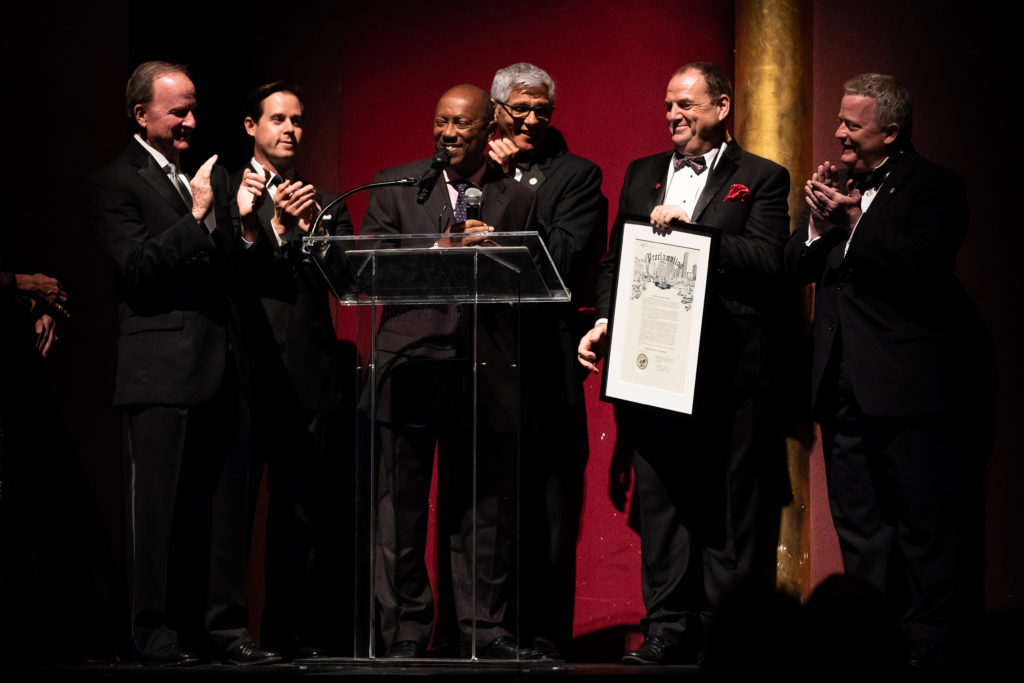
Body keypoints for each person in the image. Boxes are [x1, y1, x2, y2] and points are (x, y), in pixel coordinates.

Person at [578, 61, 792, 665]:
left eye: (686, 105)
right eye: (669, 105)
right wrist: (605, 320)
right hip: (652, 366)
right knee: (662, 503)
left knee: (729, 507)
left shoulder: (762, 177)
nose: (673, 115)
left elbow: (769, 262)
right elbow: (616, 260)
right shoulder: (642, 172)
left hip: (729, 371)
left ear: (721, 108)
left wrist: (697, 232)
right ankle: (667, 628)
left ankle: (727, 637)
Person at [785, 73, 995, 672]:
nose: (838, 133)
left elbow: (923, 268)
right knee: (860, 523)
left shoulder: (936, 188)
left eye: (852, 124)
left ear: (891, 132)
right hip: (840, 387)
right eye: (840, 121)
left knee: (924, 523)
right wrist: (818, 225)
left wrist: (856, 223)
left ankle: (930, 639)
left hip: (910, 389)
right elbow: (793, 268)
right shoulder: (839, 189)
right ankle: (871, 636)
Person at [88, 61, 279, 666]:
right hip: (160, 370)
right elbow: (137, 269)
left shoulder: (212, 176)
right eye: (178, 111)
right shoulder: (116, 182)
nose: (191, 121)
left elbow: (235, 270)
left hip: (225, 363)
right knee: (158, 512)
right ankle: (152, 632)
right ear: (141, 114)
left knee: (225, 509)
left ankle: (225, 629)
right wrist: (196, 216)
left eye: (194, 108)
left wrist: (246, 225)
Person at [361, 84, 536, 660]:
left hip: (483, 368)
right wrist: (440, 250)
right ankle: (406, 631)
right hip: (409, 366)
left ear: (489, 130)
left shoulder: (515, 196)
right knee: (400, 508)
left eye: (462, 124)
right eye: (441, 122)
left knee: (482, 509)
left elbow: (530, 279)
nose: (449, 133)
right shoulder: (396, 186)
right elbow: (370, 271)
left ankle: (484, 629)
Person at [230, 81, 357, 661]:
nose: (290, 129)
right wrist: (276, 228)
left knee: (301, 513)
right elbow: (236, 276)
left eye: (298, 120)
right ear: (251, 126)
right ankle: (225, 634)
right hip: (246, 371)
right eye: (278, 119)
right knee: (231, 510)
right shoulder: (228, 194)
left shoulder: (326, 203)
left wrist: (311, 230)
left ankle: (292, 636)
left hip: (308, 378)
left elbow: (347, 284)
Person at [485, 62, 607, 660]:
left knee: (551, 501)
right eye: (521, 109)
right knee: (488, 498)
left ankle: (545, 634)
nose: (533, 120)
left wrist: (511, 189)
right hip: (481, 354)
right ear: (497, 111)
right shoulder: (472, 171)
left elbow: (558, 254)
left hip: (546, 357)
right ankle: (485, 630)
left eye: (543, 110)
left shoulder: (577, 176)